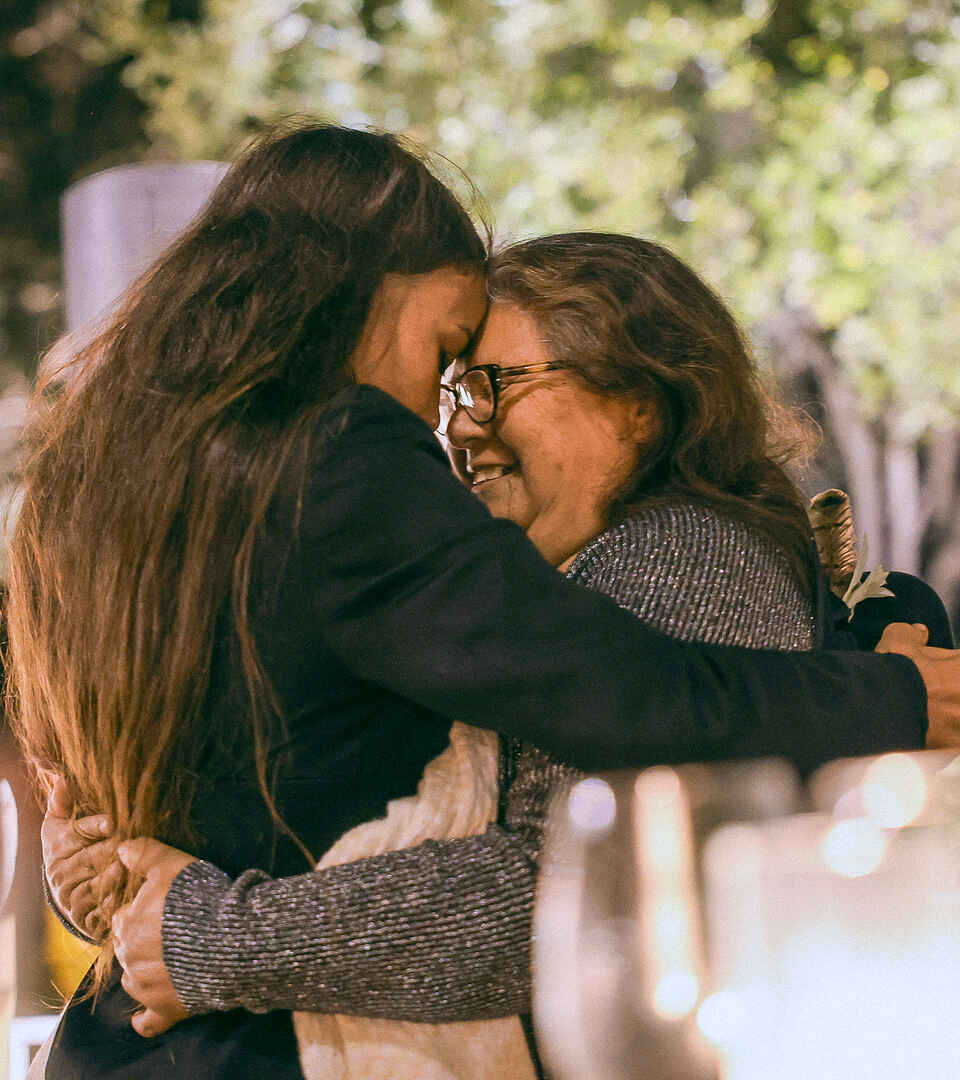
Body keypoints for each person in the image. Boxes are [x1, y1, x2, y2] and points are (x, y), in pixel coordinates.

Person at [12, 125, 960, 1077]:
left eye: (486, 376)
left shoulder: (77, 489)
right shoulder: (336, 462)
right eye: (448, 360)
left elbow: (591, 836)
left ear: (643, 400)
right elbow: (636, 711)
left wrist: (128, 893)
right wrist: (889, 697)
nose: (448, 415)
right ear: (364, 292)